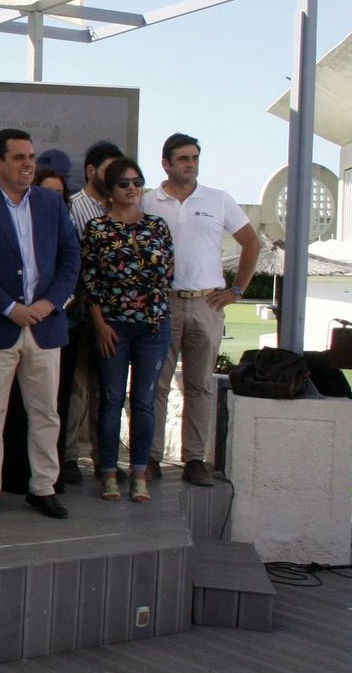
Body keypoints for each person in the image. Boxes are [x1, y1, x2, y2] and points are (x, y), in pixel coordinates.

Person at [0, 128, 80, 521]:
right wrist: (9, 307)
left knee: (45, 414)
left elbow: (70, 257)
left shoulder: (50, 203)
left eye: (31, 157)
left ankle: (43, 488)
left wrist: (49, 303)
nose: (29, 164)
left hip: (44, 326)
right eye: (20, 157)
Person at [142, 132, 259, 487]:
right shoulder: (148, 201)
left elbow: (251, 242)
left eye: (194, 158)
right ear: (166, 164)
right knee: (155, 385)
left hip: (207, 303)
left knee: (199, 386)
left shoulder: (218, 199)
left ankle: (194, 459)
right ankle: (149, 458)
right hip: (162, 304)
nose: (190, 164)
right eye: (183, 158)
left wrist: (237, 290)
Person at [82, 158, 174, 504]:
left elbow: (168, 273)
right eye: (124, 183)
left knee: (144, 401)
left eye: (137, 182)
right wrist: (100, 324)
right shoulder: (97, 229)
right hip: (113, 326)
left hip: (153, 325)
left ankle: (139, 473)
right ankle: (108, 472)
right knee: (111, 400)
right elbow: (90, 280)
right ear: (110, 190)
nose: (132, 188)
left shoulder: (157, 226)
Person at [59, 140, 124, 488]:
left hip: (114, 313)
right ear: (90, 171)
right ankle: (69, 456)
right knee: (75, 386)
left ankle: (105, 459)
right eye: (108, 170)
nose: (116, 178)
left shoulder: (124, 209)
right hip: (79, 310)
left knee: (107, 389)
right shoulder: (73, 208)